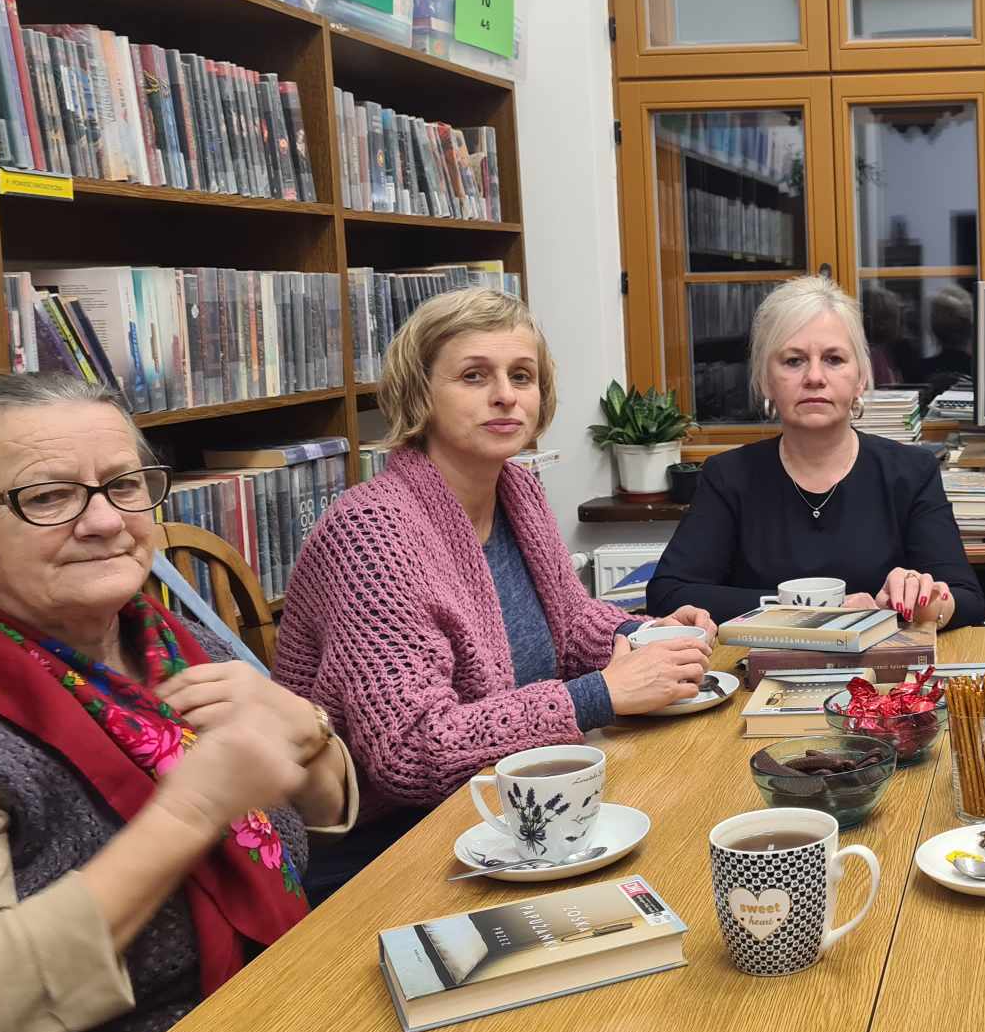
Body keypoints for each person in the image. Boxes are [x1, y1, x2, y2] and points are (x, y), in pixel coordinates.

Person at [0, 373, 356, 1032]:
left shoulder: (166, 638)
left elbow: (328, 811)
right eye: (48, 496)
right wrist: (191, 810)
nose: (104, 521)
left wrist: (309, 731)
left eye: (124, 486)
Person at [278, 289, 713, 898]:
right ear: (420, 393)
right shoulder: (371, 532)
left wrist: (643, 635)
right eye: (474, 376)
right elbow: (412, 750)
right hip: (391, 852)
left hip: (510, 811)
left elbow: (567, 624)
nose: (506, 395)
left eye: (522, 376)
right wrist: (600, 695)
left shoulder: (517, 489)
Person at [646, 275, 985, 627]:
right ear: (765, 381)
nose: (814, 377)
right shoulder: (727, 476)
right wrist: (809, 608)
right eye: (794, 361)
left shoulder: (912, 471)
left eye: (834, 359)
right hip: (765, 662)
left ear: (860, 379)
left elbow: (969, 601)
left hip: (880, 662)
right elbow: (668, 593)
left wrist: (927, 602)